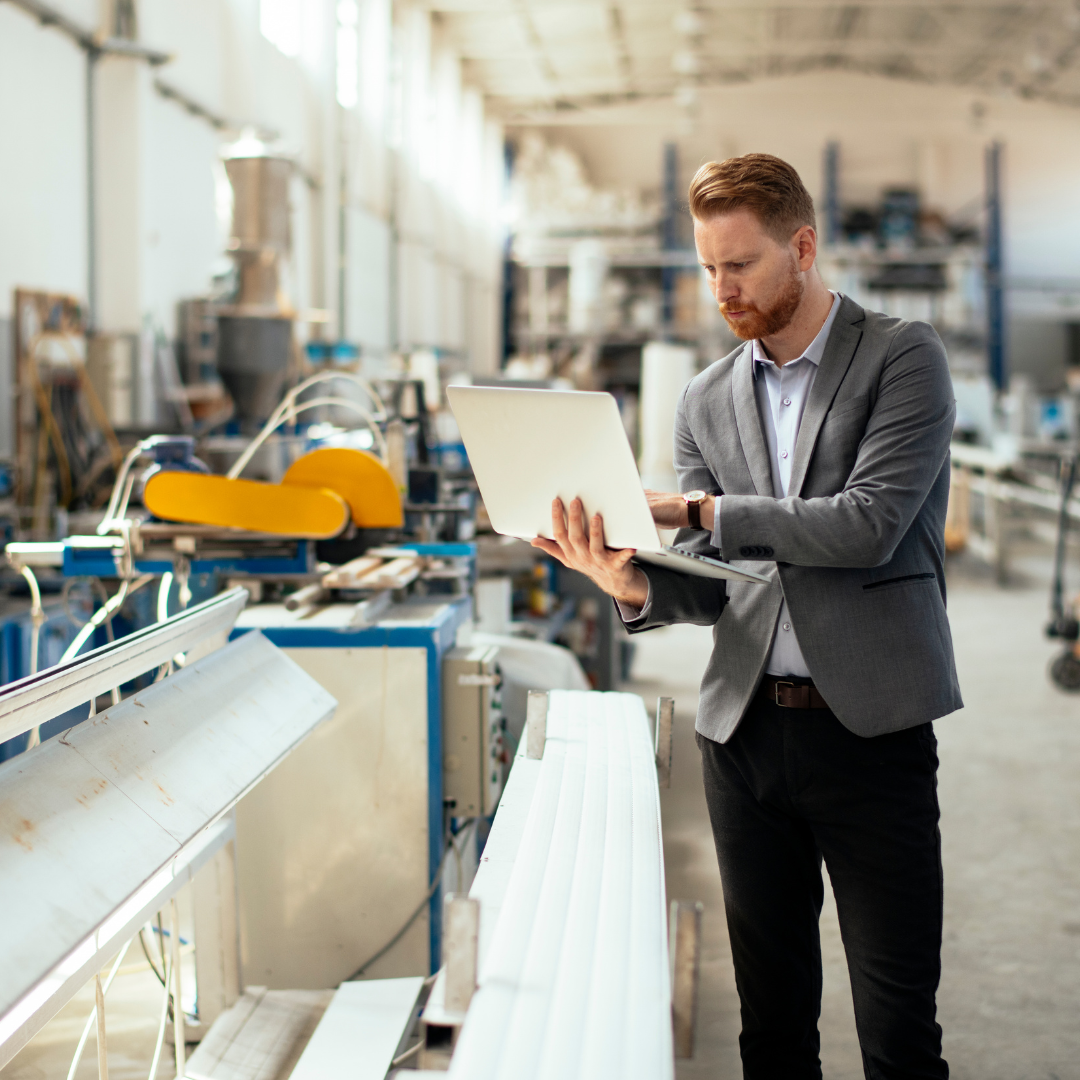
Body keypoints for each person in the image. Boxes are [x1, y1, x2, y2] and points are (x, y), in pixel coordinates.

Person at [531, 153, 961, 1080]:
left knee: (897, 1030)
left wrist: (690, 509)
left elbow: (869, 525)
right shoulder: (705, 397)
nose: (721, 289)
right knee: (770, 1029)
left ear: (801, 248)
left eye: (741, 265)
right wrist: (627, 582)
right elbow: (720, 579)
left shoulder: (902, 357)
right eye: (707, 268)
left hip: (873, 733)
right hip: (743, 738)